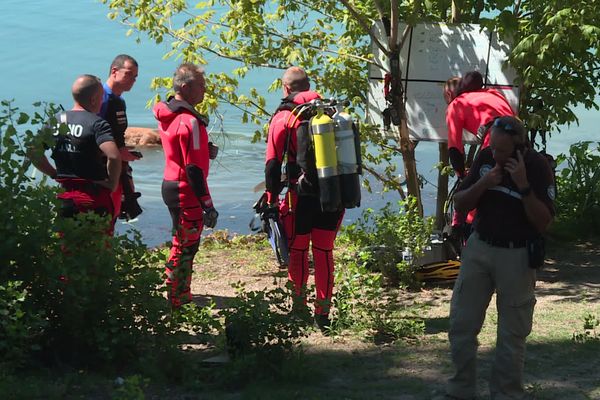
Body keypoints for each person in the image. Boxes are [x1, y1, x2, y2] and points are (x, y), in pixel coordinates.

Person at [443, 116, 555, 400]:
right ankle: (460, 391)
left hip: (517, 254)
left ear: (521, 148)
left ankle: (506, 394)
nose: (496, 154)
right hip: (480, 248)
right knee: (461, 324)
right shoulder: (486, 157)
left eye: (502, 151)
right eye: (493, 148)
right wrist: (485, 182)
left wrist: (524, 186)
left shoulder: (538, 167)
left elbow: (543, 222)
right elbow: (460, 202)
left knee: (512, 334)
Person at [265, 66, 344, 332]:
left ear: (285, 88)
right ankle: (322, 314)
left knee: (298, 251)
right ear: (309, 86)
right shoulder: (330, 114)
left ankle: (298, 309)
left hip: (301, 196)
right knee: (324, 252)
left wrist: (271, 200)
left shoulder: (283, 118)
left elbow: (272, 165)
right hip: (333, 192)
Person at [153, 63, 218, 308]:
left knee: (183, 242)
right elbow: (193, 169)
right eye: (201, 86)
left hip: (170, 183)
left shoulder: (168, 112)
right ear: (186, 87)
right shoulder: (189, 121)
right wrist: (208, 205)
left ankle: (179, 294)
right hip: (184, 189)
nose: (204, 90)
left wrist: (205, 151)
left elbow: (182, 151)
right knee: (186, 246)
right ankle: (178, 299)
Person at [30, 74, 121, 223]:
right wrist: (112, 183)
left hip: (65, 195)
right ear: (93, 100)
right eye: (101, 97)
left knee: (67, 242)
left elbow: (33, 152)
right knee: (98, 242)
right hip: (93, 195)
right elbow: (114, 156)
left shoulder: (55, 121)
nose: (101, 101)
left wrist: (54, 174)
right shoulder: (97, 124)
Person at [443, 71, 515, 236]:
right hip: (518, 137)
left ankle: (468, 232)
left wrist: (462, 176)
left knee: (476, 188)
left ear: (448, 94)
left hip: (495, 140)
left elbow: (455, 149)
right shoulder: (492, 93)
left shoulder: (456, 104)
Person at [99, 54, 142, 223]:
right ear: (114, 71)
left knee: (115, 212)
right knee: (105, 215)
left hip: (117, 166)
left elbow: (117, 135)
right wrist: (117, 154)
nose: (133, 80)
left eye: (135, 77)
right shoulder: (101, 98)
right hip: (102, 168)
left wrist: (126, 153)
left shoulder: (120, 102)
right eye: (129, 74)